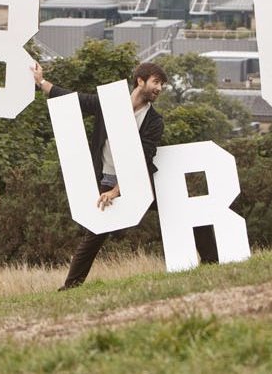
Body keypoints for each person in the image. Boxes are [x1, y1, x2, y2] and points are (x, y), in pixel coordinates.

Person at [33, 62, 218, 291]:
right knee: (96, 233)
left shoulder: (154, 121)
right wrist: (41, 82)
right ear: (140, 81)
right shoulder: (109, 105)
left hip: (140, 183)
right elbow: (74, 99)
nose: (160, 88)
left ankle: (214, 264)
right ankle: (71, 286)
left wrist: (117, 191)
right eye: (156, 82)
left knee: (187, 207)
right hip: (107, 178)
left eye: (162, 84)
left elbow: (143, 161)